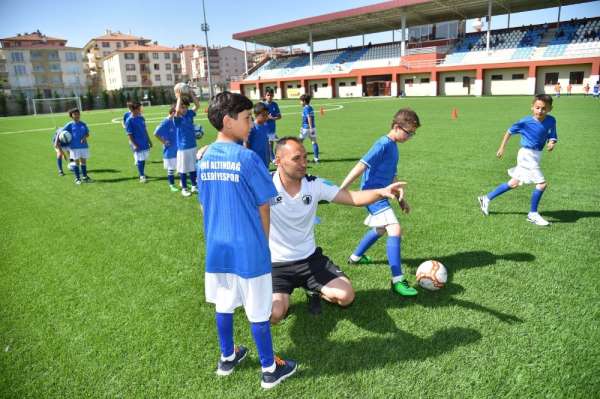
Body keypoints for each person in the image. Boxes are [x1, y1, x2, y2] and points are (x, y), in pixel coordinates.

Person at [197, 92, 297, 389]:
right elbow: (264, 205)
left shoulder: (203, 158)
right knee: (257, 307)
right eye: (246, 119)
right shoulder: (247, 158)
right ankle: (269, 369)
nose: (251, 124)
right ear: (228, 122)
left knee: (224, 302)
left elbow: (203, 203)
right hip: (247, 247)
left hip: (217, 245)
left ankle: (227, 357)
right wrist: (263, 243)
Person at [269, 137, 406, 323]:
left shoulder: (314, 184)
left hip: (310, 260)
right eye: (296, 159)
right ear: (278, 160)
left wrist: (380, 192)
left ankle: (313, 288)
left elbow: (353, 197)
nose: (303, 163)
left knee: (346, 296)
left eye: (305, 157)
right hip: (277, 265)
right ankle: (289, 294)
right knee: (274, 315)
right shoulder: (264, 186)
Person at [339, 108, 421, 297]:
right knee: (395, 228)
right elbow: (361, 165)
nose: (410, 136)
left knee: (381, 228)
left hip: (383, 195)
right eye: (409, 132)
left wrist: (402, 198)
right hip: (371, 194)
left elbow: (392, 175)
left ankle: (355, 257)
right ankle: (397, 280)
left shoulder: (394, 147)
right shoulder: (382, 144)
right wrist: (341, 189)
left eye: (412, 133)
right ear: (396, 127)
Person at [478, 94, 558, 226]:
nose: (540, 111)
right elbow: (509, 131)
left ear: (550, 109)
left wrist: (551, 143)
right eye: (537, 107)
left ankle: (486, 198)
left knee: (514, 183)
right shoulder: (525, 121)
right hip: (526, 154)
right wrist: (502, 148)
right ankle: (532, 214)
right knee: (542, 184)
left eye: (544, 108)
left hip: (537, 155)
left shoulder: (551, 120)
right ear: (532, 107)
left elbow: (552, 135)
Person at [175, 91, 200, 197]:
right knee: (183, 169)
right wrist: (179, 97)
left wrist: (192, 95)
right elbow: (176, 110)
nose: (183, 109)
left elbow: (197, 105)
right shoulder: (177, 118)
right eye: (182, 107)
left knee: (193, 167)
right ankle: (184, 188)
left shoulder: (189, 113)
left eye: (185, 107)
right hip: (183, 148)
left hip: (192, 145)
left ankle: (194, 185)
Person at [125, 101, 152, 183]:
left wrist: (149, 140)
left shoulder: (141, 118)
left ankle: (142, 173)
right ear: (134, 109)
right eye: (139, 108)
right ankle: (141, 176)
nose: (141, 109)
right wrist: (135, 144)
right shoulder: (129, 120)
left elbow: (145, 130)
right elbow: (129, 134)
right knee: (140, 159)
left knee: (144, 159)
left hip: (144, 142)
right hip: (137, 143)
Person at [154, 107, 179, 192]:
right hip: (169, 150)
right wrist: (164, 142)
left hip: (177, 148)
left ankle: (182, 183)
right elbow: (156, 133)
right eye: (176, 113)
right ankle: (171, 185)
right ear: (172, 113)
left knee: (180, 166)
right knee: (171, 168)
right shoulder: (165, 122)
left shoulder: (174, 121)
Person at [63, 108, 91, 185]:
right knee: (76, 163)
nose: (77, 115)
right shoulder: (69, 125)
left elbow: (87, 134)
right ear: (71, 116)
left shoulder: (83, 124)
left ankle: (85, 177)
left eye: (78, 114)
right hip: (74, 147)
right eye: (75, 114)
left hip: (84, 146)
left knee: (83, 162)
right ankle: (77, 179)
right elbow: (63, 133)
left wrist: (84, 138)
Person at [245, 102, 270, 169]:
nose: (266, 117)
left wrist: (269, 154)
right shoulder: (252, 127)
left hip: (264, 159)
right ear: (256, 115)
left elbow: (266, 141)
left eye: (267, 115)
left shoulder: (265, 126)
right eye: (263, 115)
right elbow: (246, 144)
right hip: (255, 159)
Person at [298, 94, 319, 163]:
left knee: (299, 143)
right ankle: (316, 159)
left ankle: (301, 159)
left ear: (304, 101)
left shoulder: (306, 108)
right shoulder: (311, 107)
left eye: (300, 101)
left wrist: (310, 128)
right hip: (313, 127)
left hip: (305, 128)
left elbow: (309, 117)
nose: (300, 103)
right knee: (314, 142)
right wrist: (312, 128)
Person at [262, 88, 281, 162]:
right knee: (267, 143)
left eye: (271, 95)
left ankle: (271, 157)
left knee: (271, 143)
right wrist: (266, 118)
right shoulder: (263, 105)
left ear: (273, 95)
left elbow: (279, 116)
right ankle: (271, 157)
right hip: (264, 128)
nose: (269, 96)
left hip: (272, 127)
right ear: (265, 96)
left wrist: (272, 118)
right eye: (268, 95)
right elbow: (259, 117)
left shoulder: (275, 104)